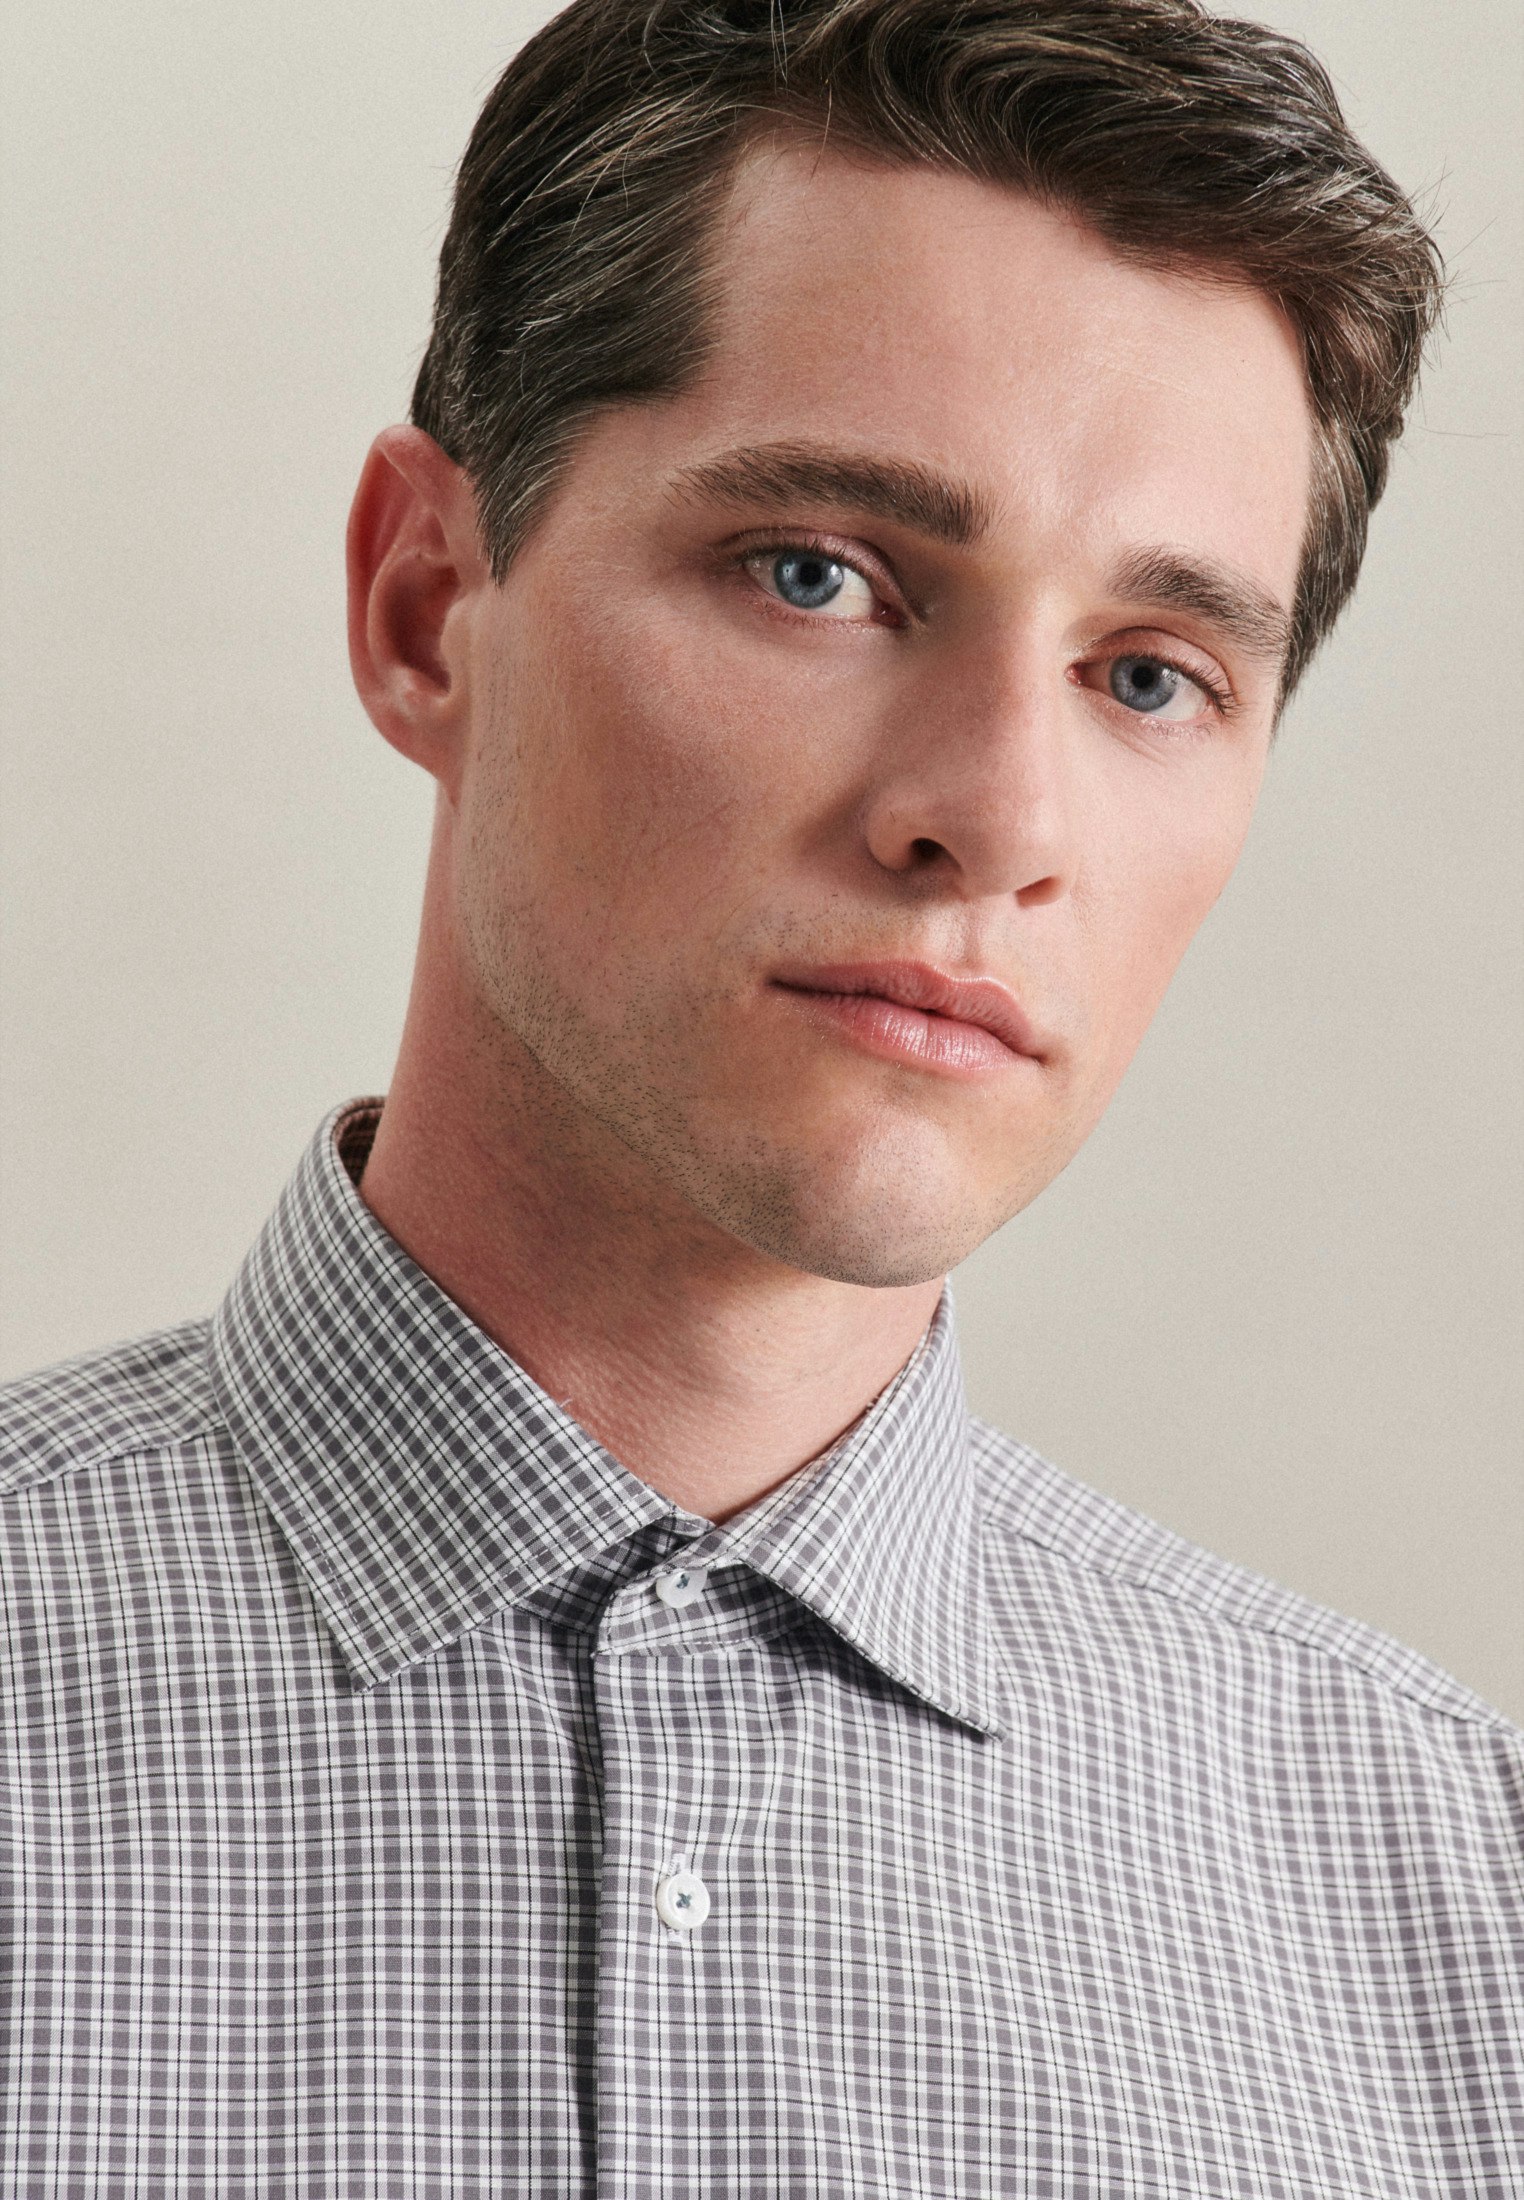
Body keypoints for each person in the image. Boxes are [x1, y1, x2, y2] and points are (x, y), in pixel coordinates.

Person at [3, 0, 1519, 2190]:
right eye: (821, 574)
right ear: (428, 608)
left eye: (1149, 674)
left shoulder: (1462, 1916)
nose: (998, 817)